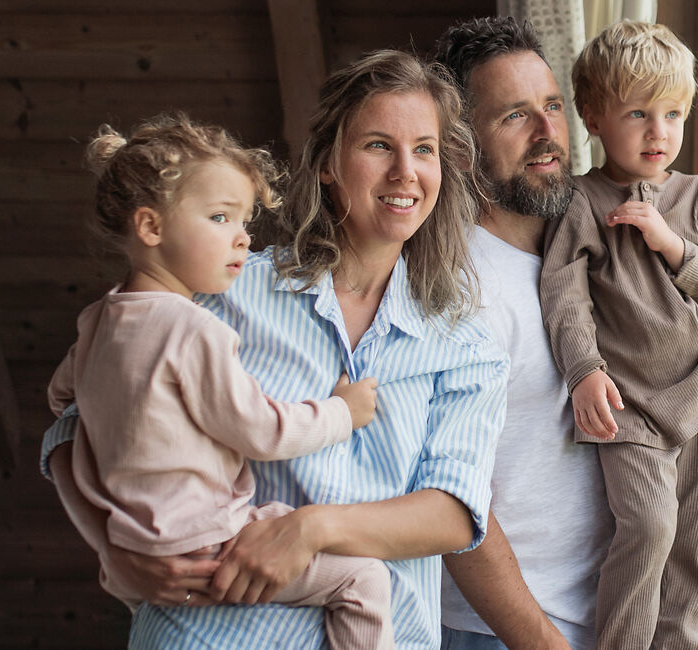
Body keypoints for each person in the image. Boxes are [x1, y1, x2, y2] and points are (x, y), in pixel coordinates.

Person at [39, 50, 509, 649]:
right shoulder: (223, 291)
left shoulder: (466, 345)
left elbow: (455, 512)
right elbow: (78, 420)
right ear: (328, 163)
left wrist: (310, 529)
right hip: (206, 634)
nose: (405, 171)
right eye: (377, 145)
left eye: (424, 149)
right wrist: (116, 551)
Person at [46, 112, 391, 649]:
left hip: (136, 547)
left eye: (244, 220)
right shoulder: (192, 329)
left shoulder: (97, 323)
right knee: (363, 578)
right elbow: (262, 431)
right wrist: (343, 412)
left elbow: (61, 399)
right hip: (208, 544)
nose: (242, 238)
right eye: (219, 217)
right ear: (151, 228)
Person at [540, 20, 698, 649]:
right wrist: (584, 370)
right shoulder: (579, 201)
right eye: (639, 114)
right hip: (627, 404)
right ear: (594, 117)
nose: (660, 132)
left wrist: (671, 242)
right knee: (649, 528)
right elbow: (564, 295)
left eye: (673, 114)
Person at [431, 17, 612, 650]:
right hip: (504, 633)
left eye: (552, 107)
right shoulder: (457, 286)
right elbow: (453, 499)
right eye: (514, 116)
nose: (546, 133)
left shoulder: (597, 248)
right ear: (460, 143)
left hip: (614, 614)